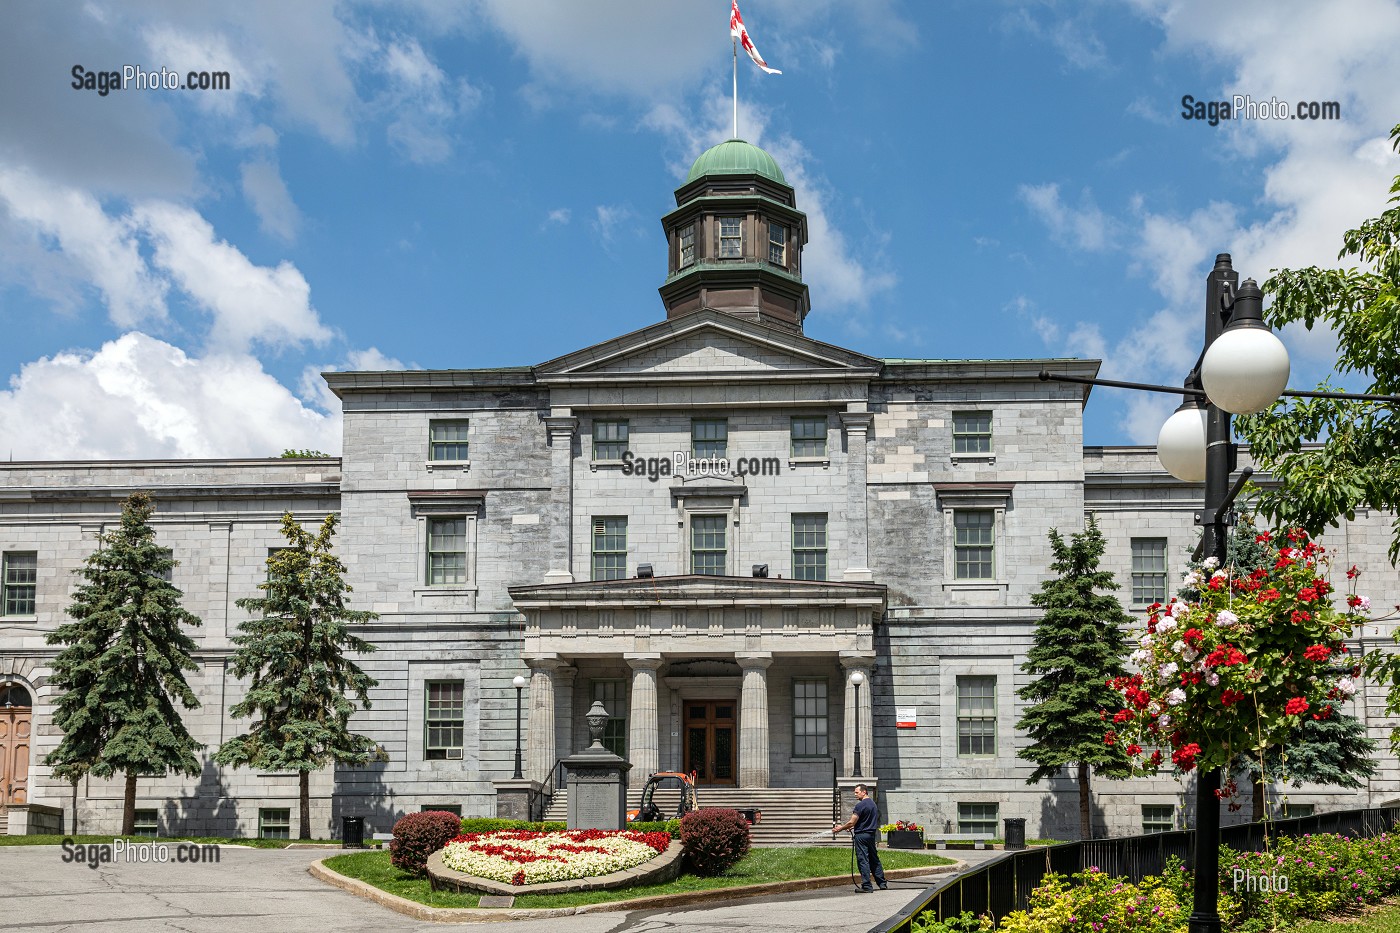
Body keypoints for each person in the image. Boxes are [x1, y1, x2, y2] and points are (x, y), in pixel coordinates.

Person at [833, 783, 887, 892]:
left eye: (857, 792)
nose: (855, 794)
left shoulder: (860, 806)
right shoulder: (873, 804)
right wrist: (853, 827)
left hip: (861, 837)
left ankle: (867, 886)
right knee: (874, 859)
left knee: (863, 860)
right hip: (871, 835)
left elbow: (851, 822)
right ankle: (882, 883)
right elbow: (864, 821)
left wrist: (841, 828)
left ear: (864, 792)